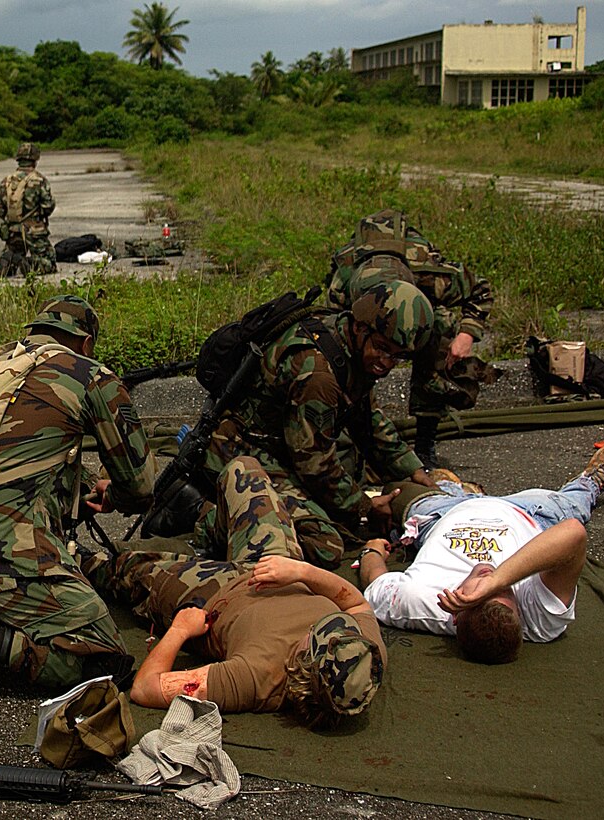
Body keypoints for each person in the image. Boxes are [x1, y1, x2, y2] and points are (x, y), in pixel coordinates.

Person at [0, 295, 157, 709]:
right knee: (105, 659)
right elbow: (142, 486)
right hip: (12, 558)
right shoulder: (89, 376)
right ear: (86, 342)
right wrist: (110, 493)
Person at [82, 455, 386, 728]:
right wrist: (301, 571)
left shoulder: (255, 680)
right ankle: (205, 523)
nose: (330, 625)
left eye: (320, 634)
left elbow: (146, 688)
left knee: (125, 567)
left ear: (306, 665)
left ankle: (77, 555)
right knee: (243, 469)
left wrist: (179, 630)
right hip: (275, 567)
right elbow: (357, 605)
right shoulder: (362, 651)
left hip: (213, 595)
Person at [202, 281, 437, 569]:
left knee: (349, 484)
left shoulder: (345, 342)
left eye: (398, 356)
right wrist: (364, 507)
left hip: (284, 446)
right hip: (242, 453)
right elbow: (315, 465)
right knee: (326, 543)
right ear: (360, 328)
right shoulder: (319, 374)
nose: (386, 363)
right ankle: (203, 516)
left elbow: (368, 419)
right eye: (382, 349)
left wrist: (413, 469)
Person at [358, 440, 604, 663]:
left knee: (395, 493)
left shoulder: (417, 603)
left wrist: (371, 552)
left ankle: (453, 488)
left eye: (481, 594)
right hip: (529, 512)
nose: (488, 579)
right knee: (575, 507)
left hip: (442, 514)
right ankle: (589, 482)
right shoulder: (540, 621)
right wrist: (497, 580)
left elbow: (376, 582)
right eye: (503, 593)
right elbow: (572, 534)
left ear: (456, 615)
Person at [327, 208, 496, 468]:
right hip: (357, 320)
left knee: (442, 323)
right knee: (340, 356)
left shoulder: (430, 277)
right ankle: (349, 433)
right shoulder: (343, 287)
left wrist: (467, 334)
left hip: (421, 304)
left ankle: (426, 439)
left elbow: (481, 290)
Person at [0, 142, 57, 278]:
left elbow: (0, 209)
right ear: (35, 160)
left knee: (12, 252)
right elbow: (48, 206)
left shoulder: (6, 181)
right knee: (49, 263)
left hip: (12, 232)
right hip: (34, 232)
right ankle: (30, 265)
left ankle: (7, 264)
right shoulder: (39, 180)